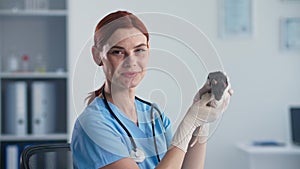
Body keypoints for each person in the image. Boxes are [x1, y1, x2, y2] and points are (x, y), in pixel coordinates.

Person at [71, 10, 232, 169]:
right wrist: (189, 122)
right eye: (118, 52)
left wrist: (201, 122)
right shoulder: (92, 125)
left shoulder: (154, 116)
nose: (131, 61)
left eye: (139, 50)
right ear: (97, 55)